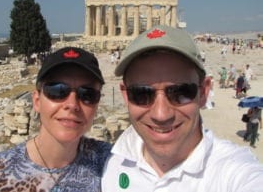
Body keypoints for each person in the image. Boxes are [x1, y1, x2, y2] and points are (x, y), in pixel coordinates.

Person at [101, 25, 263, 192]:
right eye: (141, 93)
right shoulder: (111, 163)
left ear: (204, 93)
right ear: (126, 95)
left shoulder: (235, 173)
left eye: (181, 92)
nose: (161, 115)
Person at [0, 47, 111, 192]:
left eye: (87, 94)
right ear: (36, 101)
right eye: (58, 90)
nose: (72, 105)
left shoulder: (113, 164)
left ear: (97, 104)